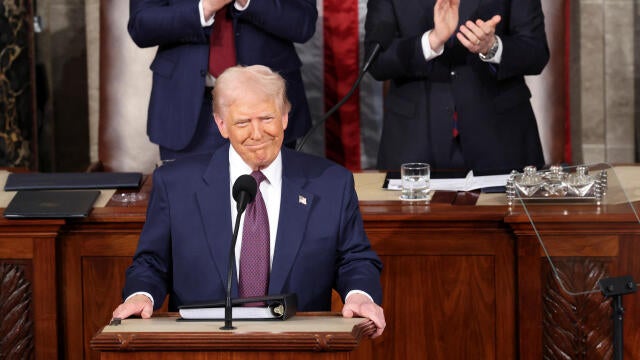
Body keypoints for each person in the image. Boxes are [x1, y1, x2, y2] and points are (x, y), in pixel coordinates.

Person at [112, 65, 386, 338]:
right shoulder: (176, 185)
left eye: (267, 118)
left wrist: (360, 295)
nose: (257, 134)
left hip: (299, 344)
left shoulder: (331, 183)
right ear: (222, 125)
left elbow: (355, 259)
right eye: (243, 122)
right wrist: (141, 295)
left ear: (285, 118)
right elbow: (152, 262)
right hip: (203, 346)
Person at [364, 0, 549, 173]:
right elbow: (377, 61)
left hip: (501, 142)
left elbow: (536, 53)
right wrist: (431, 42)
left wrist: (492, 47)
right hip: (414, 145)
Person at [128, 0, 317, 161]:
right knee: (190, 200)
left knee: (271, 201)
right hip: (188, 109)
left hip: (267, 106)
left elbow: (303, 23)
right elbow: (141, 26)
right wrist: (206, 7)